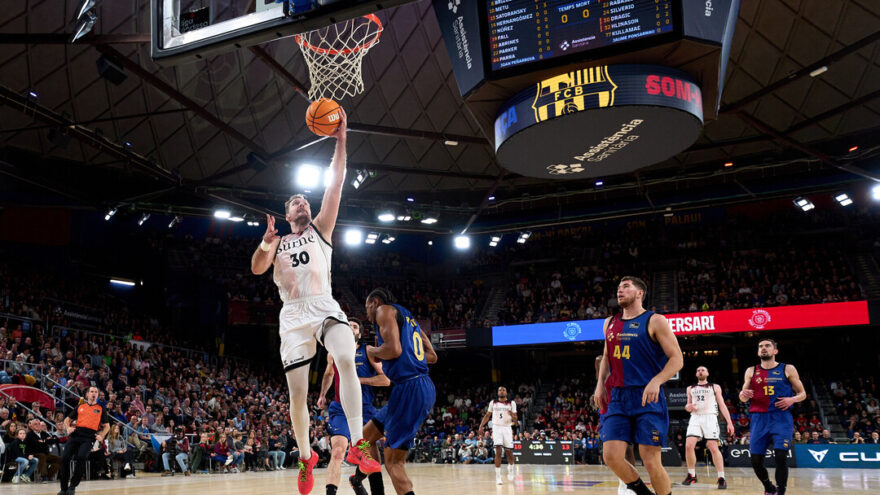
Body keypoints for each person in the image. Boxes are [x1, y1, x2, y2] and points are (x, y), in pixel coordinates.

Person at [250, 108, 379, 494]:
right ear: (287, 214)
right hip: (292, 315)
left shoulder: (322, 229)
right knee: (297, 395)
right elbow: (257, 269)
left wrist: (340, 141)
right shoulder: (278, 242)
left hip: (323, 304)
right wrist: (265, 244)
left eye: (304, 200)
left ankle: (357, 444)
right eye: (295, 202)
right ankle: (306, 456)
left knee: (344, 357)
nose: (302, 203)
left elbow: (336, 182)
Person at [593, 277, 683, 495]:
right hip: (618, 397)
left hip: (646, 396)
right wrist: (599, 385)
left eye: (626, 287)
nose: (620, 291)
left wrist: (657, 380)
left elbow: (677, 359)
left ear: (640, 293)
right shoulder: (609, 322)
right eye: (618, 288)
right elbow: (606, 356)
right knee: (611, 456)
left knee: (651, 460)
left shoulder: (655, 320)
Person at [355, 288, 438, 495]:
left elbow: (393, 350)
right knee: (364, 438)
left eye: (367, 307)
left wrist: (371, 351)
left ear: (374, 302)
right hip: (414, 387)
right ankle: (356, 480)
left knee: (393, 462)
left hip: (411, 388)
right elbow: (432, 356)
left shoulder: (383, 310)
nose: (367, 313)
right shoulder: (409, 319)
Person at [317, 318, 390, 495]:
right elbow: (328, 374)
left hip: (364, 408)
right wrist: (322, 395)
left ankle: (356, 480)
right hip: (340, 407)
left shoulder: (368, 351)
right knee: (338, 451)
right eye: (347, 325)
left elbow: (385, 380)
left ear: (359, 333)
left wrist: (357, 381)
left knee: (372, 457)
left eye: (355, 326)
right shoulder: (333, 353)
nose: (350, 328)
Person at [739, 339, 806, 495]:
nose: (763, 348)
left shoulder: (787, 368)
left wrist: (792, 399)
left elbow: (802, 394)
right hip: (758, 419)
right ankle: (769, 487)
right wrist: (743, 394)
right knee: (755, 461)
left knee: (781, 457)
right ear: (757, 352)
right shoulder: (751, 370)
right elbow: (743, 397)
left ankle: (781, 492)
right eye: (760, 346)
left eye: (767, 346)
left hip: (781, 418)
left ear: (775, 351)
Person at [682, 366, 735, 489]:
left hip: (710, 417)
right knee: (689, 446)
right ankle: (691, 475)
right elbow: (687, 404)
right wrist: (687, 407)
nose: (700, 371)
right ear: (696, 374)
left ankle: (721, 478)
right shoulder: (690, 388)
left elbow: (722, 405)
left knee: (713, 447)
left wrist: (729, 422)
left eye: (703, 370)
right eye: (698, 370)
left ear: (707, 373)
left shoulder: (715, 387)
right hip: (695, 417)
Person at [594, 355, 636, 495]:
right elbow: (599, 362)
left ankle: (631, 485)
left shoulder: (621, 371)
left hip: (623, 411)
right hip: (608, 415)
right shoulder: (602, 380)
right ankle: (623, 484)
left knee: (628, 450)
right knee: (614, 455)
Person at [59, 385, 110, 495]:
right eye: (91, 391)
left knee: (81, 457)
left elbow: (107, 426)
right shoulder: (80, 407)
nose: (93, 393)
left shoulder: (101, 409)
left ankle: (72, 486)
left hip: (89, 437)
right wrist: (68, 428)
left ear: (97, 395)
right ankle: (63, 488)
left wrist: (101, 435)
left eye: (95, 392)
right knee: (64, 458)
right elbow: (67, 419)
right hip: (76, 435)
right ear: (87, 394)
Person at [478, 386, 518, 485]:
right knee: (498, 450)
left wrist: (514, 417)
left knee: (509, 452)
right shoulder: (493, 403)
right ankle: (498, 477)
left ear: (506, 392)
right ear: (497, 392)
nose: (501, 391)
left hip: (507, 428)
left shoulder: (512, 403)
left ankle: (511, 467)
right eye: (500, 390)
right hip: (496, 428)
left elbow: (516, 422)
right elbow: (487, 415)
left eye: (503, 390)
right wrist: (481, 426)